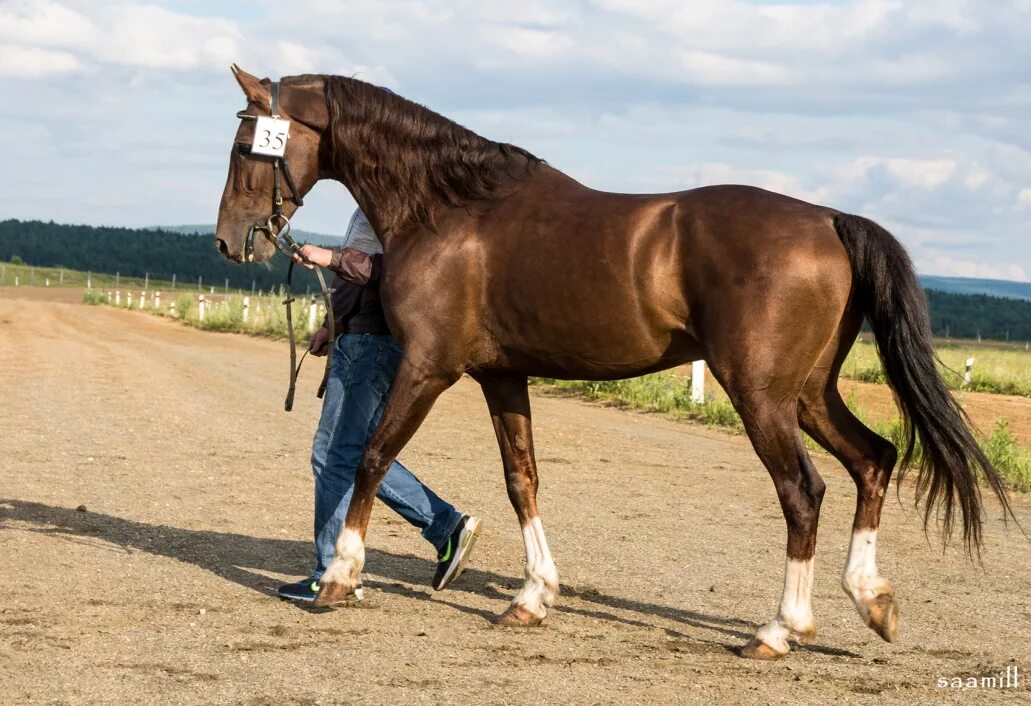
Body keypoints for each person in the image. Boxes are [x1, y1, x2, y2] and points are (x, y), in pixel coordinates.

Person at [277, 209, 482, 602]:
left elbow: (397, 268)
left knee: (331, 455)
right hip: (358, 336)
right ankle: (446, 526)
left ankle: (331, 573)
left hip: (371, 342)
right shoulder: (368, 202)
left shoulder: (398, 204)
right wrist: (331, 324)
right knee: (356, 453)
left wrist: (330, 257)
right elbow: (357, 280)